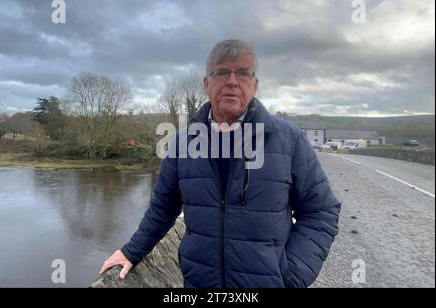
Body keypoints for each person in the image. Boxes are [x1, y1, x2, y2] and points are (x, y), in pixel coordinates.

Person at [99, 39, 341, 288]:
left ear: (254, 85)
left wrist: (292, 275)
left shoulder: (288, 139)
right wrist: (131, 251)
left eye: (243, 73)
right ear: (207, 83)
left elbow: (321, 211)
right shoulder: (183, 144)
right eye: (222, 72)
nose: (232, 81)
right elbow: (162, 208)